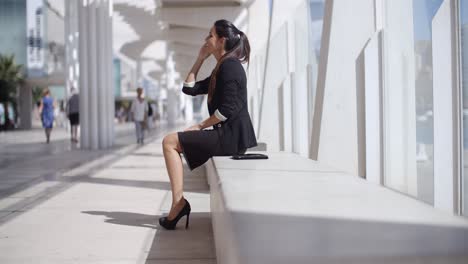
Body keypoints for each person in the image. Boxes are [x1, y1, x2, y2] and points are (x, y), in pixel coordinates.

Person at [159, 19, 257, 230]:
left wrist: (200, 126)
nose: (206, 39)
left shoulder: (230, 67)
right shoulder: (221, 68)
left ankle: (178, 204)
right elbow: (189, 88)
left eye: (210, 35)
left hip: (230, 138)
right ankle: (178, 204)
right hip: (227, 135)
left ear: (221, 40)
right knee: (170, 142)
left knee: (169, 142)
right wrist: (200, 58)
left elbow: (227, 110)